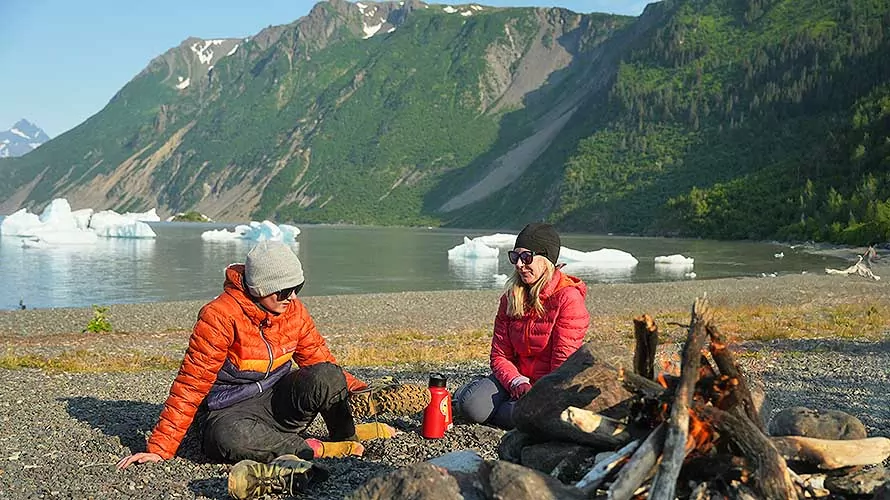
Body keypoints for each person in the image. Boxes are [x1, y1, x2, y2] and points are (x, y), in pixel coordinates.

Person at [117, 241, 393, 471]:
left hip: (279, 401)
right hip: (229, 410)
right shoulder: (219, 316)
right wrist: (160, 448)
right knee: (224, 439)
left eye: (298, 287)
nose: (293, 297)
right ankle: (313, 448)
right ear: (261, 288)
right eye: (284, 291)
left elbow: (321, 362)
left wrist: (366, 391)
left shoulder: (293, 311)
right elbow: (191, 385)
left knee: (326, 373)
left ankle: (346, 436)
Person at [454, 223, 590, 429]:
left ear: (547, 259)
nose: (519, 264)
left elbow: (562, 366)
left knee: (523, 416)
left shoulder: (568, 299)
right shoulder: (510, 298)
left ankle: (507, 409)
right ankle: (477, 396)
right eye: (514, 257)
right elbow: (500, 355)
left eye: (526, 257)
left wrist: (538, 391)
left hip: (546, 386)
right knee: (471, 408)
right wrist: (517, 381)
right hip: (513, 380)